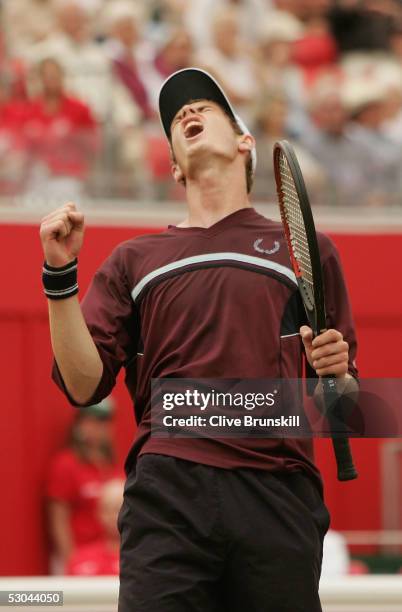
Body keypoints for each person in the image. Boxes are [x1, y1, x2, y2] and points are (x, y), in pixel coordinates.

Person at [40, 68, 358, 611]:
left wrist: (338, 375)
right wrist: (60, 277)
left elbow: (346, 414)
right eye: (175, 117)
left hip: (277, 495)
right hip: (167, 496)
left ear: (244, 141)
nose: (187, 113)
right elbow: (81, 384)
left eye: (205, 106)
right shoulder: (132, 261)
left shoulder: (306, 251)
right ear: (172, 166)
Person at [46, 397, 119, 572]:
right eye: (92, 421)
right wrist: (71, 561)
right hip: (79, 557)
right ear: (79, 425)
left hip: (110, 559)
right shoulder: (66, 464)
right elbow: (58, 518)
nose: (99, 428)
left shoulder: (113, 467)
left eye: (104, 421)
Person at [66, 478, 124, 575]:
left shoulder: (145, 557)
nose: (114, 516)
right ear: (98, 513)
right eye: (108, 509)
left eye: (120, 508)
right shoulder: (80, 558)